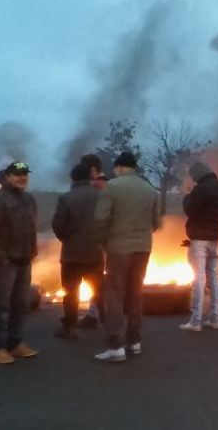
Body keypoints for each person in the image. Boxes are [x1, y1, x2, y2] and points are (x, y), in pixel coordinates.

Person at [93, 151, 161, 363]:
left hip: (118, 248)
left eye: (115, 168)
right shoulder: (150, 190)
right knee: (135, 294)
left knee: (114, 294)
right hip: (143, 249)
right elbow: (156, 223)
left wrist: (101, 243)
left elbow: (100, 219)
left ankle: (115, 346)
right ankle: (134, 342)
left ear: (120, 167)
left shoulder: (112, 187)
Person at [0, 162, 39, 364]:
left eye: (24, 173)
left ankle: (14, 344)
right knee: (1, 306)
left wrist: (32, 252)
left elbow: (31, 228)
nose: (21, 177)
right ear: (7, 177)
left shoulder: (28, 199)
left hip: (24, 260)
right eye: (17, 174)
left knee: (20, 304)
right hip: (3, 263)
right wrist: (1, 257)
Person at [51, 163, 104, 339]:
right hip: (95, 253)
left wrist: (66, 239)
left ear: (73, 178)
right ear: (90, 177)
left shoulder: (66, 197)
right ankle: (111, 326)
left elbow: (58, 224)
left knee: (71, 291)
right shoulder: (101, 196)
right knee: (99, 292)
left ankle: (70, 327)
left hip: (72, 254)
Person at [179, 161, 218, 332]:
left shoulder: (200, 189)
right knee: (214, 278)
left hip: (199, 240)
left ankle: (195, 321)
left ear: (197, 175)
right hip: (215, 239)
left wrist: (187, 194)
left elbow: (189, 210)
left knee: (198, 279)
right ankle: (215, 319)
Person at [77, 153, 107, 328]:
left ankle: (100, 316)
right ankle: (93, 313)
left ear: (93, 169)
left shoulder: (98, 185)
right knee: (95, 279)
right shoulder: (107, 184)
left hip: (97, 240)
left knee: (96, 279)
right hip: (101, 239)